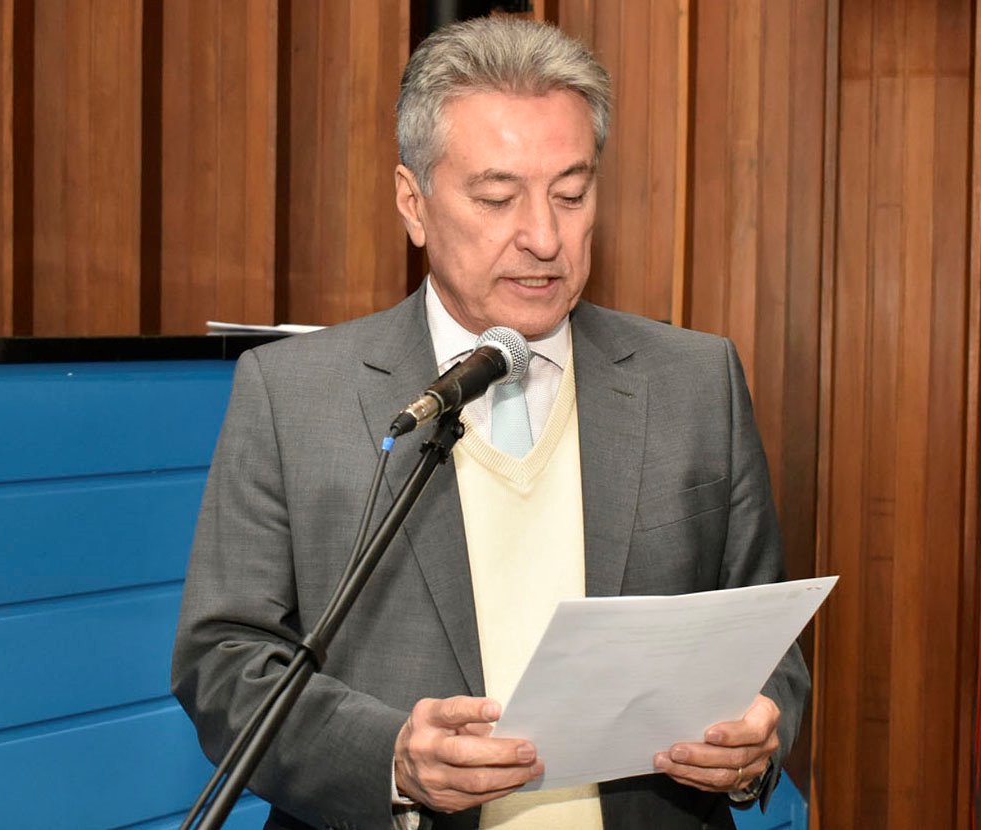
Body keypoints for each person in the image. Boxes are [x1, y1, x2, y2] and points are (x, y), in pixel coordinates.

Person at [172, 16, 808, 830]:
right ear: (413, 203)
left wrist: (756, 736)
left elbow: (765, 644)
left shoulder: (694, 382)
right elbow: (223, 664)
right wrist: (391, 761)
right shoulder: (293, 395)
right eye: (497, 198)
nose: (543, 237)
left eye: (571, 195)